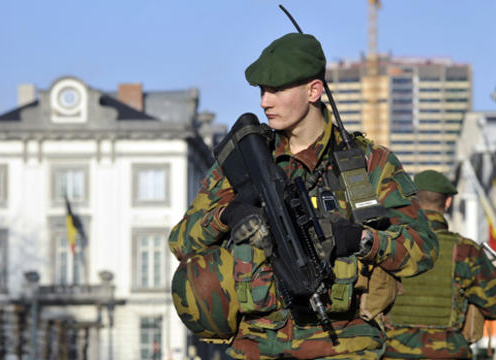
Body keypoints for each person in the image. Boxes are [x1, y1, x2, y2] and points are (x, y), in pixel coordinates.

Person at [169, 32, 438, 359]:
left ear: (314, 90)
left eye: (277, 90)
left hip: (344, 346)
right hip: (256, 348)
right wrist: (227, 216)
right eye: (262, 90)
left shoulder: (368, 164)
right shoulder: (245, 161)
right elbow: (181, 243)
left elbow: (424, 249)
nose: (264, 101)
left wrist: (364, 241)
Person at [383, 170, 496, 359]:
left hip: (394, 353)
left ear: (413, 201)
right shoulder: (466, 251)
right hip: (449, 352)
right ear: (448, 202)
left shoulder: (391, 244)